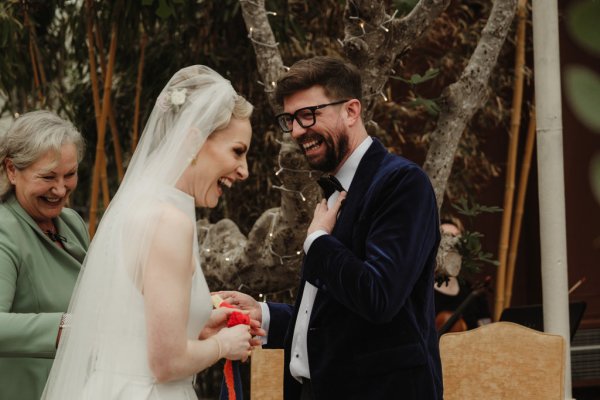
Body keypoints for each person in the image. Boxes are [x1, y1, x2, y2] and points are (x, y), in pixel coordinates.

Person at [218, 56, 443, 399]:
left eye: (308, 115)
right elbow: (335, 318)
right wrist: (262, 315)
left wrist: (319, 242)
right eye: (289, 120)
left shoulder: (402, 184)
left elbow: (378, 297)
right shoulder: (335, 195)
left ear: (351, 111)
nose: (296, 131)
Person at [42, 65, 263, 400]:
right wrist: (223, 345)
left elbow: (134, 322)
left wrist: (200, 326)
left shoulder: (139, 204)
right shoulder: (169, 221)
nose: (245, 170)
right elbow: (166, 363)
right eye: (237, 151)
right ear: (194, 139)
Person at [0, 110, 89, 400]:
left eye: (70, 174)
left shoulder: (72, 222)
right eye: (48, 177)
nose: (61, 189)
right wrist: (68, 326)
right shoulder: (4, 230)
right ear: (12, 170)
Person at [434, 218, 491, 332]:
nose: (452, 246)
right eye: (445, 239)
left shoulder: (473, 292)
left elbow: (487, 332)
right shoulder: (422, 293)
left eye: (457, 240)